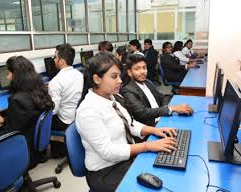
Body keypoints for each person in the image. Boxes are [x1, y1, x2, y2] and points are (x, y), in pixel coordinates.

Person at [76, 52, 177, 192]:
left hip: (125, 159)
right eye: (114, 77)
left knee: (166, 171)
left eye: (119, 76)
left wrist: (154, 130)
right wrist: (148, 146)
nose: (120, 81)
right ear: (97, 79)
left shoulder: (113, 97)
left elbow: (130, 124)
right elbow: (108, 152)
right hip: (106, 171)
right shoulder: (88, 111)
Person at [0, 56, 54, 158]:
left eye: (9, 73)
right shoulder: (41, 92)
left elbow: (10, 134)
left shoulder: (16, 100)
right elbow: (27, 118)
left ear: (17, 76)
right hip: (35, 145)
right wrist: (5, 120)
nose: (7, 77)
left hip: (23, 149)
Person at [121, 54, 194, 126]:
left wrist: (166, 109)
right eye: (137, 69)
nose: (142, 71)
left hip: (162, 117)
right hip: (152, 126)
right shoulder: (127, 90)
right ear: (129, 72)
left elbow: (163, 97)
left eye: (144, 68)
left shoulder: (147, 82)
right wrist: (170, 109)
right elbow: (142, 112)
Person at [48, 43, 83, 157]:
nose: (54, 60)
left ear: (61, 61)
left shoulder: (56, 82)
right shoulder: (79, 74)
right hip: (78, 116)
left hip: (66, 121)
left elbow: (53, 110)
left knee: (39, 119)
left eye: (55, 57)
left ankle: (57, 153)